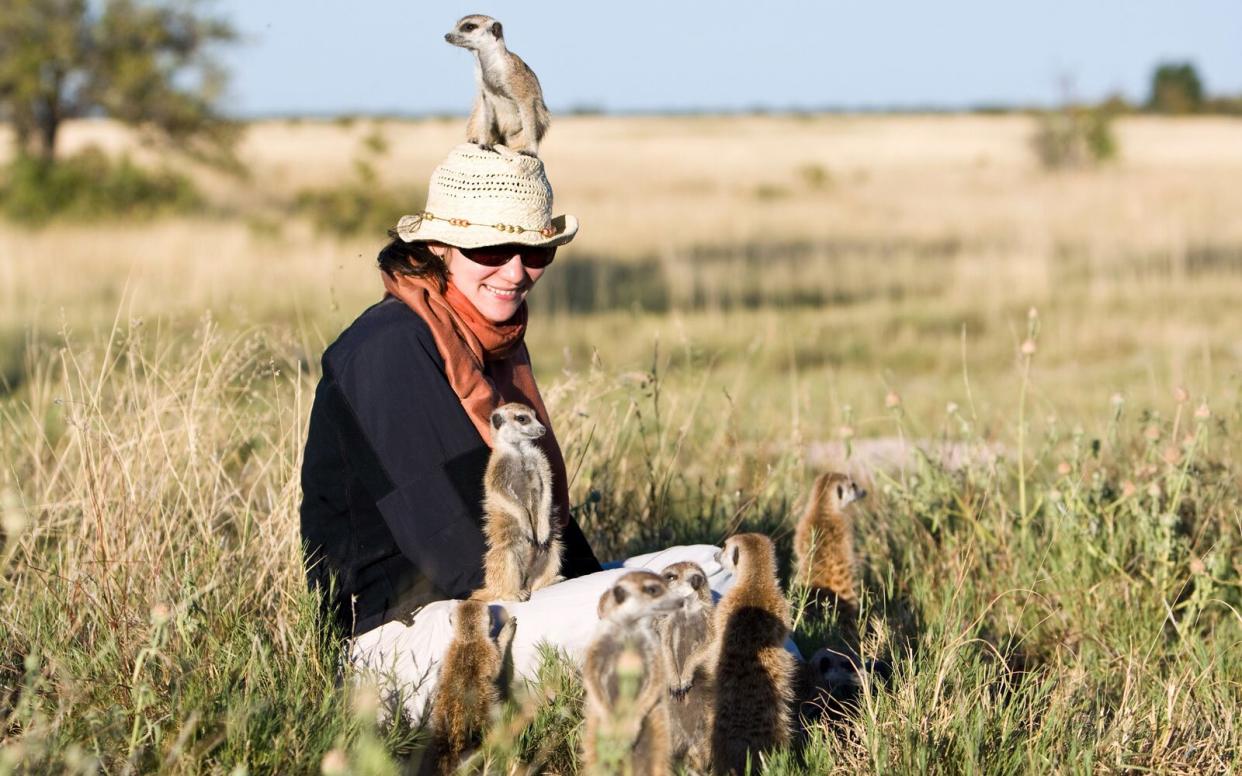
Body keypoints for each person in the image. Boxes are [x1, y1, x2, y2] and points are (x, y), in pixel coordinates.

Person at [300, 144, 753, 720]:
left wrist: (588, 586)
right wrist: (588, 599)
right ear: (437, 247)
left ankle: (790, 690)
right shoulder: (390, 348)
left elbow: (533, 520)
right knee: (669, 601)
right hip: (411, 643)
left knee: (716, 567)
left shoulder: (479, 340)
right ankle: (782, 708)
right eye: (492, 248)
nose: (515, 272)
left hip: (494, 604)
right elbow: (457, 555)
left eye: (535, 250)